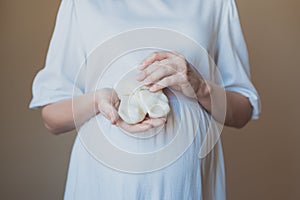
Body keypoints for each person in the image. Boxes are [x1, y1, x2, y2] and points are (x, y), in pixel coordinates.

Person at [29, 0, 260, 199]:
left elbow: (243, 110)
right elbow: (52, 118)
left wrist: (201, 88)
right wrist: (98, 100)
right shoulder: (81, 3)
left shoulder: (215, 3)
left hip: (186, 183)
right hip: (104, 180)